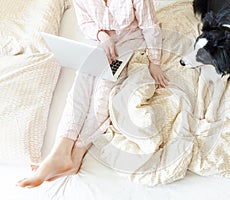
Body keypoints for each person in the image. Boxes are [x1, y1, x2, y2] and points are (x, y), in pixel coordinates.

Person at [17, 0, 169, 188]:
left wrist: (154, 61)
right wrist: (101, 35)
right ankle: (60, 149)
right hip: (100, 42)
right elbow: (85, 22)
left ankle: (77, 152)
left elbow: (149, 25)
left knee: (103, 87)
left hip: (130, 40)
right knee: (81, 82)